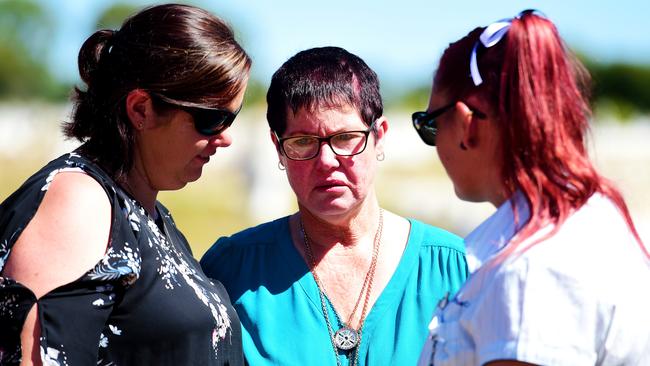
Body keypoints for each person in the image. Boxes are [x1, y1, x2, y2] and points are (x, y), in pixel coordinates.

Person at [0, 4, 250, 365]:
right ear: (140, 110)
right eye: (211, 118)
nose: (225, 137)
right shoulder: (77, 203)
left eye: (233, 117)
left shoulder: (147, 212)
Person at [200, 46, 468, 365]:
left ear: (379, 137)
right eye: (302, 142)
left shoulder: (459, 271)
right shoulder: (233, 271)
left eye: (344, 138)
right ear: (278, 149)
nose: (327, 161)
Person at [413, 10, 650, 366]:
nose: (433, 144)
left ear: (466, 125)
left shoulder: (529, 270)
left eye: (430, 125)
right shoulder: (593, 220)